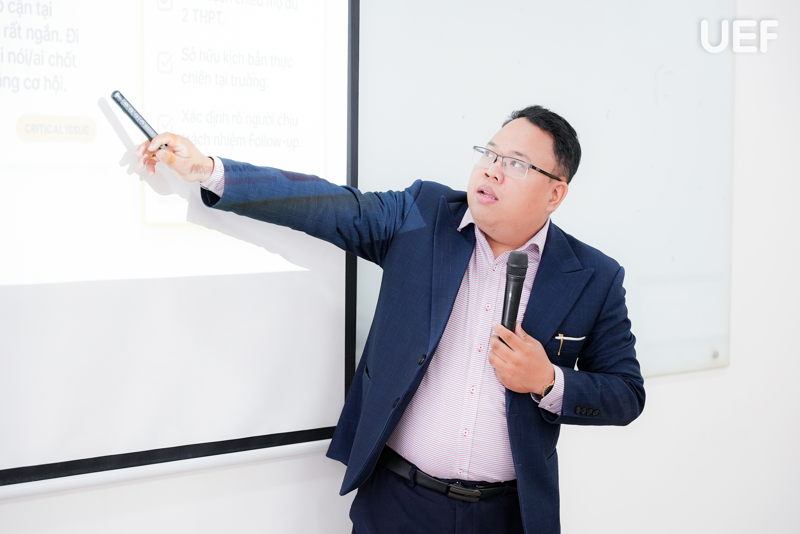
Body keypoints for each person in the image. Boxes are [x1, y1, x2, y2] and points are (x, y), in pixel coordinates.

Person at [138, 105, 645, 534]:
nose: (491, 170)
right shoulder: (422, 216)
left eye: (515, 163)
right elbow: (325, 205)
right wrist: (210, 170)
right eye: (489, 154)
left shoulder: (593, 276)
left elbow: (626, 393)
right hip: (399, 503)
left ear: (556, 193)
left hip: (508, 516)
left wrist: (548, 381)